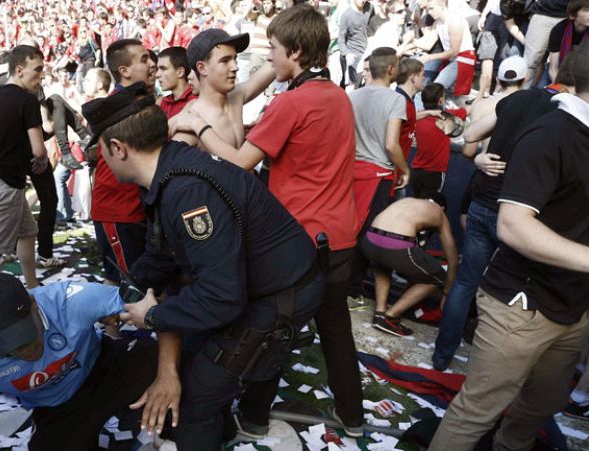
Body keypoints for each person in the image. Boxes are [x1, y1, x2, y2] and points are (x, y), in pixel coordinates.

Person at [85, 83, 325, 450]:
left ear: (118, 148)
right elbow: (165, 251)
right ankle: (222, 430)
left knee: (197, 398)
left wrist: (154, 315)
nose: (101, 159)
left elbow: (222, 298)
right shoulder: (170, 168)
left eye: (101, 152)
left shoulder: (187, 192)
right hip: (254, 283)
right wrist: (123, 292)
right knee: (194, 363)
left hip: (278, 295)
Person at [173, 4, 365, 438]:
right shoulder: (337, 95)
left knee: (274, 328)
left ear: (295, 51)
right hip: (341, 237)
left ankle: (255, 418)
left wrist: (198, 128)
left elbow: (241, 161)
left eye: (274, 50)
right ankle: (352, 417)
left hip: (300, 240)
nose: (269, 59)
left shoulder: (292, 102)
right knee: (336, 331)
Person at [428, 39, 589, 451]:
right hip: (520, 301)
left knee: (541, 405)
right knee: (476, 410)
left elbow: (473, 136)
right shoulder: (553, 130)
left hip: (572, 307)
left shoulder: (527, 104)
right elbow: (515, 226)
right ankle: (442, 355)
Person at [431, 54, 574, 371]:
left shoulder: (518, 100)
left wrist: (481, 158)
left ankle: (442, 356)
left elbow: (469, 135)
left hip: (484, 203)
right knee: (505, 294)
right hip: (516, 211)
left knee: (467, 283)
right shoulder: (563, 115)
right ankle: (486, 371)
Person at [0, 274, 158, 451]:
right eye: (11, 347)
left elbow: (153, 308)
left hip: (103, 367)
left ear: (34, 305)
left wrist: (167, 376)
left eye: (27, 335)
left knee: (168, 361)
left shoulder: (72, 300)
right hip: (58, 407)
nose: (27, 351)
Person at [0, 45, 49, 288]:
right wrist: (42, 160)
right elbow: (38, 149)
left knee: (28, 232)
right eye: (37, 70)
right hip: (5, 181)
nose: (41, 76)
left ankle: (32, 285)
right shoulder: (27, 101)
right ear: (19, 69)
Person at [347, 46, 408, 303]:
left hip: (351, 172)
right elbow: (391, 144)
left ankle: (341, 289)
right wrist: (405, 169)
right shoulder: (395, 99)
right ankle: (352, 293)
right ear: (391, 69)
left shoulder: (353, 95)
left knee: (347, 231)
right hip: (378, 175)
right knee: (367, 237)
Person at [91, 39, 151, 286]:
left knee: (139, 277)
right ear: (124, 70)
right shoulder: (115, 107)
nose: (152, 65)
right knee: (120, 279)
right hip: (117, 210)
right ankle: (111, 326)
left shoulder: (139, 101)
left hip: (134, 208)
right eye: (144, 59)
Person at [362, 195, 459, 337]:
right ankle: (390, 317)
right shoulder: (439, 213)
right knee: (438, 277)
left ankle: (380, 311)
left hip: (369, 241)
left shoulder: (408, 202)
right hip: (394, 245)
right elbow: (453, 261)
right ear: (442, 208)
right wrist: (445, 294)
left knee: (384, 264)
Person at [169, 28, 276, 151]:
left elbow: (274, 64)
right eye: (225, 61)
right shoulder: (191, 122)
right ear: (202, 68)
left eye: (235, 59)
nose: (235, 67)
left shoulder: (236, 97)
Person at [410, 83, 468, 197]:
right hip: (435, 172)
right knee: (430, 206)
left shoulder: (417, 117)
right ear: (441, 100)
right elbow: (469, 110)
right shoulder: (447, 117)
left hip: (417, 170)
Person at [42, 92, 91, 224]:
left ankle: (82, 139)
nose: (40, 78)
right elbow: (47, 126)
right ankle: (81, 139)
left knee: (56, 99)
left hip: (46, 129)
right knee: (56, 179)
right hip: (35, 132)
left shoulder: (34, 87)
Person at [415, 0, 476, 98]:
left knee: (436, 89)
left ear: (442, 6)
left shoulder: (454, 21)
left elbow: (454, 51)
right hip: (452, 60)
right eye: (427, 9)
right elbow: (428, 43)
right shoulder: (438, 23)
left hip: (464, 58)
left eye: (431, 8)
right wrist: (410, 43)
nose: (429, 12)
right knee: (444, 94)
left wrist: (429, 57)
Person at [548, 0, 589, 82]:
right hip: (562, 73)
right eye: (587, 10)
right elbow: (553, 69)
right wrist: (562, 92)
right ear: (572, 16)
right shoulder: (559, 30)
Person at [338, 0, 371, 89]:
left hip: (367, 54)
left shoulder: (369, 8)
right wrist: (347, 54)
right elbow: (341, 40)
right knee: (351, 87)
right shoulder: (346, 15)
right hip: (353, 55)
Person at [157, 46, 196, 118]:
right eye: (158, 69)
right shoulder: (162, 103)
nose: (157, 75)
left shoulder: (197, 101)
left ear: (180, 72)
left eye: (163, 69)